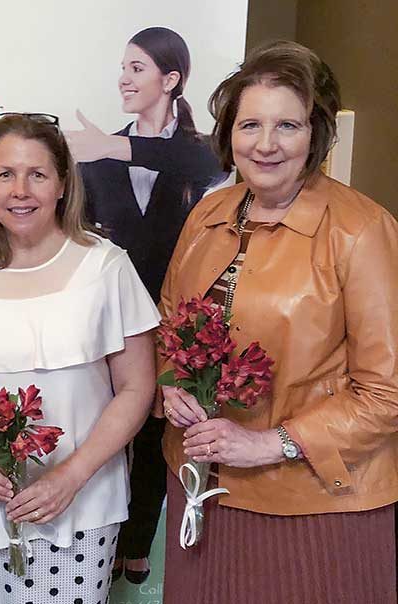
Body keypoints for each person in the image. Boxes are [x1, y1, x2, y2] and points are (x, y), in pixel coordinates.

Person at [157, 40, 398, 603]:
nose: (265, 145)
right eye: (250, 125)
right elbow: (171, 325)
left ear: (315, 133)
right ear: (228, 133)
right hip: (200, 486)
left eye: (287, 125)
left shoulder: (362, 231)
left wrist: (271, 444)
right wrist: (171, 387)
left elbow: (388, 392)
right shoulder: (208, 213)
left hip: (314, 505)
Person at [0, 113, 159, 604]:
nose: (20, 190)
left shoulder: (106, 266)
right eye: (6, 174)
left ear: (63, 184)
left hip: (83, 501)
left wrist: (71, 476)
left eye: (37, 174)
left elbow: (137, 387)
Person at [65, 26, 226, 582]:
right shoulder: (97, 155)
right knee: (105, 431)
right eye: (123, 67)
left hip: (178, 325)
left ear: (171, 79)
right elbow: (81, 235)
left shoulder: (200, 154)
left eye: (137, 68)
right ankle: (102, 539)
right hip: (108, 322)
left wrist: (113, 146)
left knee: (160, 436)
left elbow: (200, 165)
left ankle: (136, 541)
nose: (124, 78)